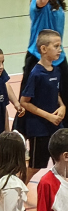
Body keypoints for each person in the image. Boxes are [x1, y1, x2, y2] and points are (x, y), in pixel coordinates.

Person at [20, 29, 65, 198]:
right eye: (56, 46)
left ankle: (61, 195)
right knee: (35, 165)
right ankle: (16, 194)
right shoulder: (36, 73)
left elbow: (55, 93)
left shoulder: (56, 70)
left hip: (56, 126)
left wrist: (62, 106)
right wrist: (48, 116)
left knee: (62, 161)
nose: (60, 50)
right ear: (44, 49)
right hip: (39, 129)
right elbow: (25, 101)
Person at [19, 0, 68, 124]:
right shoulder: (38, 4)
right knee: (29, 100)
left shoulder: (58, 4)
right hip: (38, 57)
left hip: (58, 57)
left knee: (64, 99)